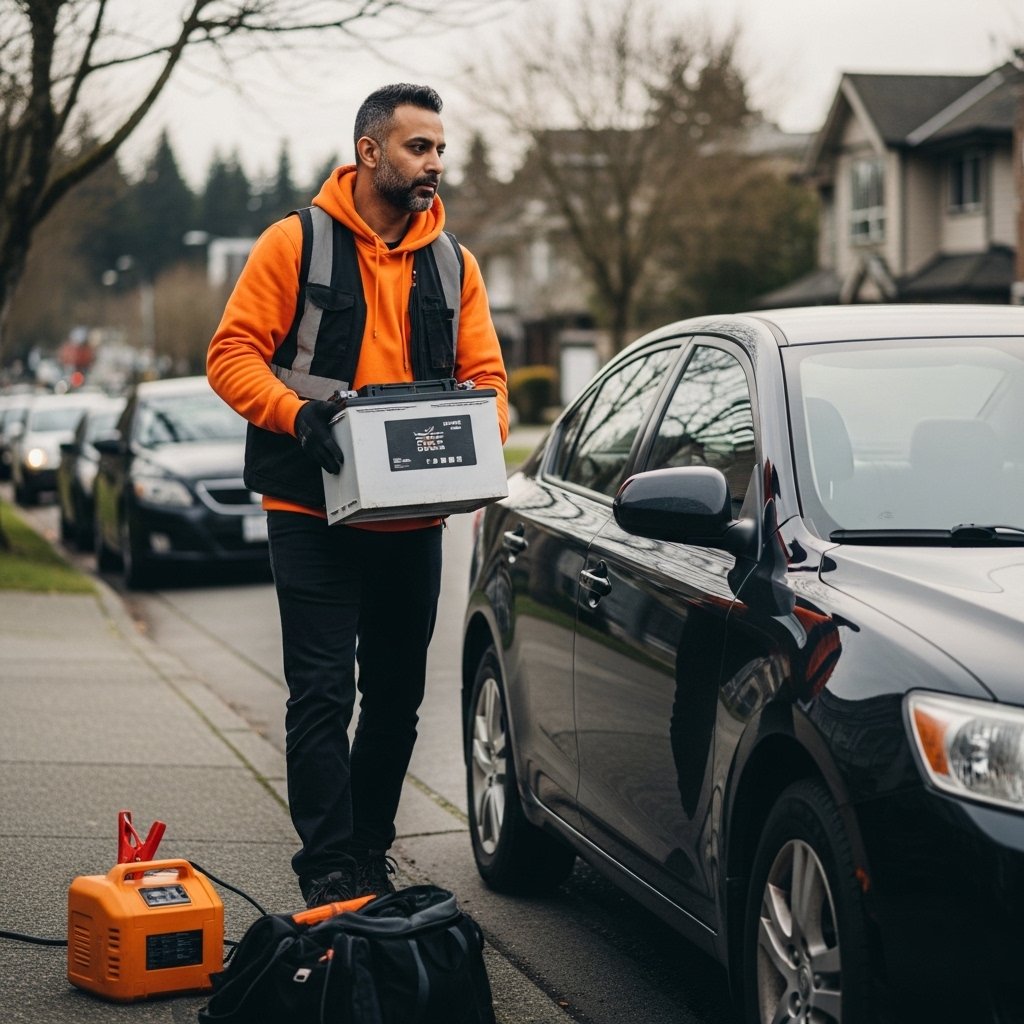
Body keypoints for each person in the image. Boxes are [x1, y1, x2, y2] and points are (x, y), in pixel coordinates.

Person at [207, 83, 509, 908]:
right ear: (370, 152)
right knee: (321, 695)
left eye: (441, 149)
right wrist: (296, 415)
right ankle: (330, 867)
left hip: (412, 523)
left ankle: (370, 849)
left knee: (398, 699)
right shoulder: (293, 243)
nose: (435, 164)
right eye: (419, 147)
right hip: (311, 513)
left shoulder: (455, 264)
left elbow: (487, 382)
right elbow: (231, 355)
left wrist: (477, 440)